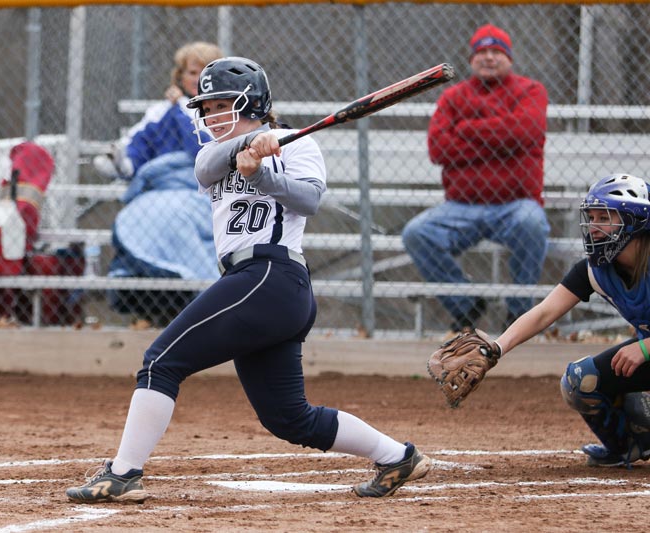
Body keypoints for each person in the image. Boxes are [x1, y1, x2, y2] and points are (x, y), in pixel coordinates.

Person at [65, 57, 432, 503]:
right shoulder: (214, 156)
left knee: (161, 362)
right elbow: (206, 166)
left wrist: (262, 169)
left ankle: (122, 473)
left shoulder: (295, 144)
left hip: (271, 277)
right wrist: (250, 144)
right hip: (256, 286)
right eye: (208, 107)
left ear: (253, 102)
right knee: (288, 418)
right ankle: (399, 456)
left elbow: (310, 200)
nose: (212, 115)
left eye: (223, 104)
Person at [490, 173, 650, 468]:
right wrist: (495, 349)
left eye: (606, 217)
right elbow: (544, 312)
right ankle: (627, 445)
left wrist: (645, 347)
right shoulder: (598, 270)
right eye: (592, 217)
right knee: (580, 380)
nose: (594, 227)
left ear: (634, 221)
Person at [402, 23, 550, 334]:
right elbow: (438, 148)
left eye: (497, 51)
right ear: (471, 59)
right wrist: (503, 141)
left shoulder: (530, 90)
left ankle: (520, 315)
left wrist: (467, 130)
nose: (489, 58)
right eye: (482, 51)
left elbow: (525, 131)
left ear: (509, 57)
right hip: (461, 206)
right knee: (417, 233)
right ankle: (466, 305)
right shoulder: (454, 96)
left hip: (516, 206)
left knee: (533, 224)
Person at [93, 41, 223, 203]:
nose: (198, 79)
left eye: (205, 72)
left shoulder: (223, 112)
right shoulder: (165, 108)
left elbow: (201, 148)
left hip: (198, 185)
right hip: (162, 184)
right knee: (154, 126)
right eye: (192, 73)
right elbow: (141, 137)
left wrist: (180, 107)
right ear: (180, 76)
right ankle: (126, 165)